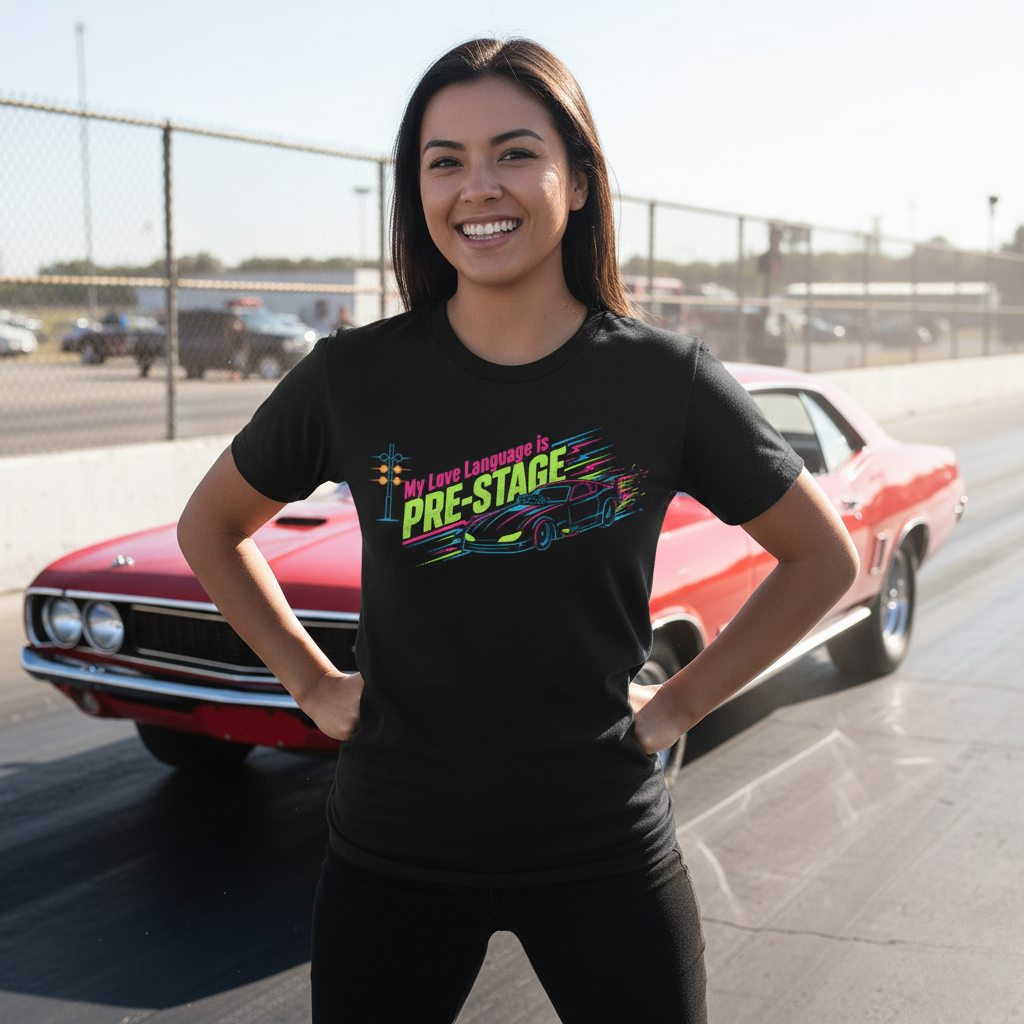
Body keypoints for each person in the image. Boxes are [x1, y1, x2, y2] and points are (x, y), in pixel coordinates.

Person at [176, 38, 859, 1024]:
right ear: (416, 190)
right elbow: (212, 527)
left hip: (603, 851)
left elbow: (820, 557)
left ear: (577, 180)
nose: (476, 187)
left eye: (514, 153)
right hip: (392, 858)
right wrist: (311, 683)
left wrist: (677, 705)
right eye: (444, 161)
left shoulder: (663, 380)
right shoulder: (354, 376)